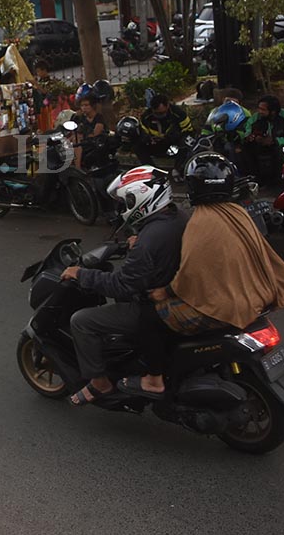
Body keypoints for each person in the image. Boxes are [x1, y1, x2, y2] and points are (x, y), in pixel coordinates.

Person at [118, 153, 284, 398]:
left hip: (227, 304)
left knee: (150, 315)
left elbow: (191, 272)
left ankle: (153, 380)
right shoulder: (236, 212)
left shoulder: (201, 221)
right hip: (255, 291)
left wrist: (165, 292)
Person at [59, 166, 188, 405]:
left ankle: (100, 383)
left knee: (81, 321)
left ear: (139, 199)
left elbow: (121, 285)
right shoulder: (177, 216)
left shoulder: (148, 241)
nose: (123, 208)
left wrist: (81, 274)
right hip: (176, 290)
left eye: (126, 201)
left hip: (156, 303)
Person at [244, 96, 284, 184]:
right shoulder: (256, 117)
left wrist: (275, 141)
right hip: (260, 145)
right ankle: (255, 180)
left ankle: (279, 181)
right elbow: (248, 130)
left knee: (281, 152)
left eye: (263, 110)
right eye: (259, 108)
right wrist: (251, 137)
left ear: (273, 111)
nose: (260, 111)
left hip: (280, 146)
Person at [136, 93, 194, 170]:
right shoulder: (146, 117)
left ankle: (177, 170)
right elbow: (143, 133)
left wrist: (173, 136)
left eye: (162, 113)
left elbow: (189, 131)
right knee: (138, 146)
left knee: (185, 143)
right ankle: (151, 170)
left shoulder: (178, 114)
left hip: (174, 144)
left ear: (167, 106)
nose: (160, 116)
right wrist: (149, 139)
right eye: (156, 113)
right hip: (157, 145)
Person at [71, 87, 106, 170]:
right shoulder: (81, 117)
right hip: (82, 140)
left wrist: (83, 136)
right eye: (82, 106)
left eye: (86, 105)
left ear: (92, 106)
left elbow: (96, 133)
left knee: (76, 141)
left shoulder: (99, 117)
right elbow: (74, 130)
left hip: (95, 142)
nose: (84, 108)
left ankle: (77, 168)